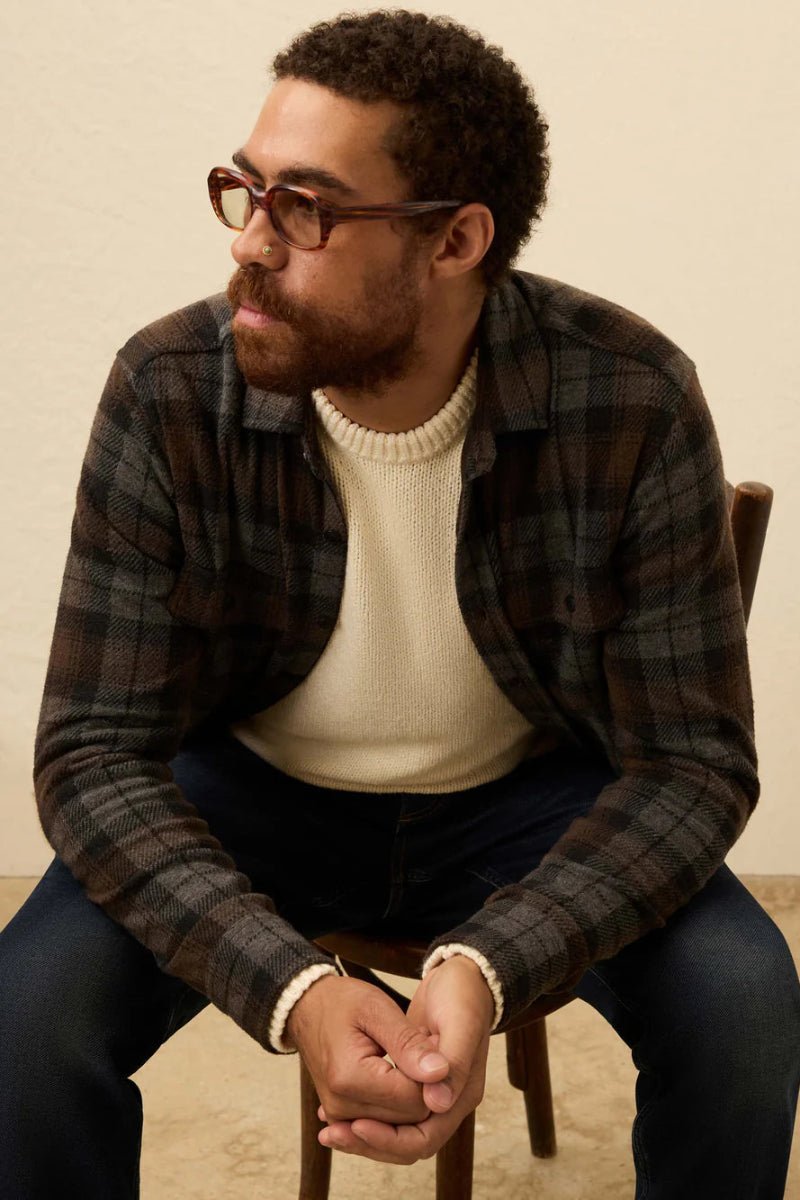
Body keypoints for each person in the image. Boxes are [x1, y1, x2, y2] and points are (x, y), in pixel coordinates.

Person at [1, 9, 798, 1198]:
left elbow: (692, 764)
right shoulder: (171, 388)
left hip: (524, 803)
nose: (252, 245)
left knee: (741, 1003)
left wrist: (486, 964)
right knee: (25, 1015)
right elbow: (90, 749)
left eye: (307, 208)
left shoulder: (627, 394)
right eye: (245, 190)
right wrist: (293, 988)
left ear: (454, 241)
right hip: (254, 796)